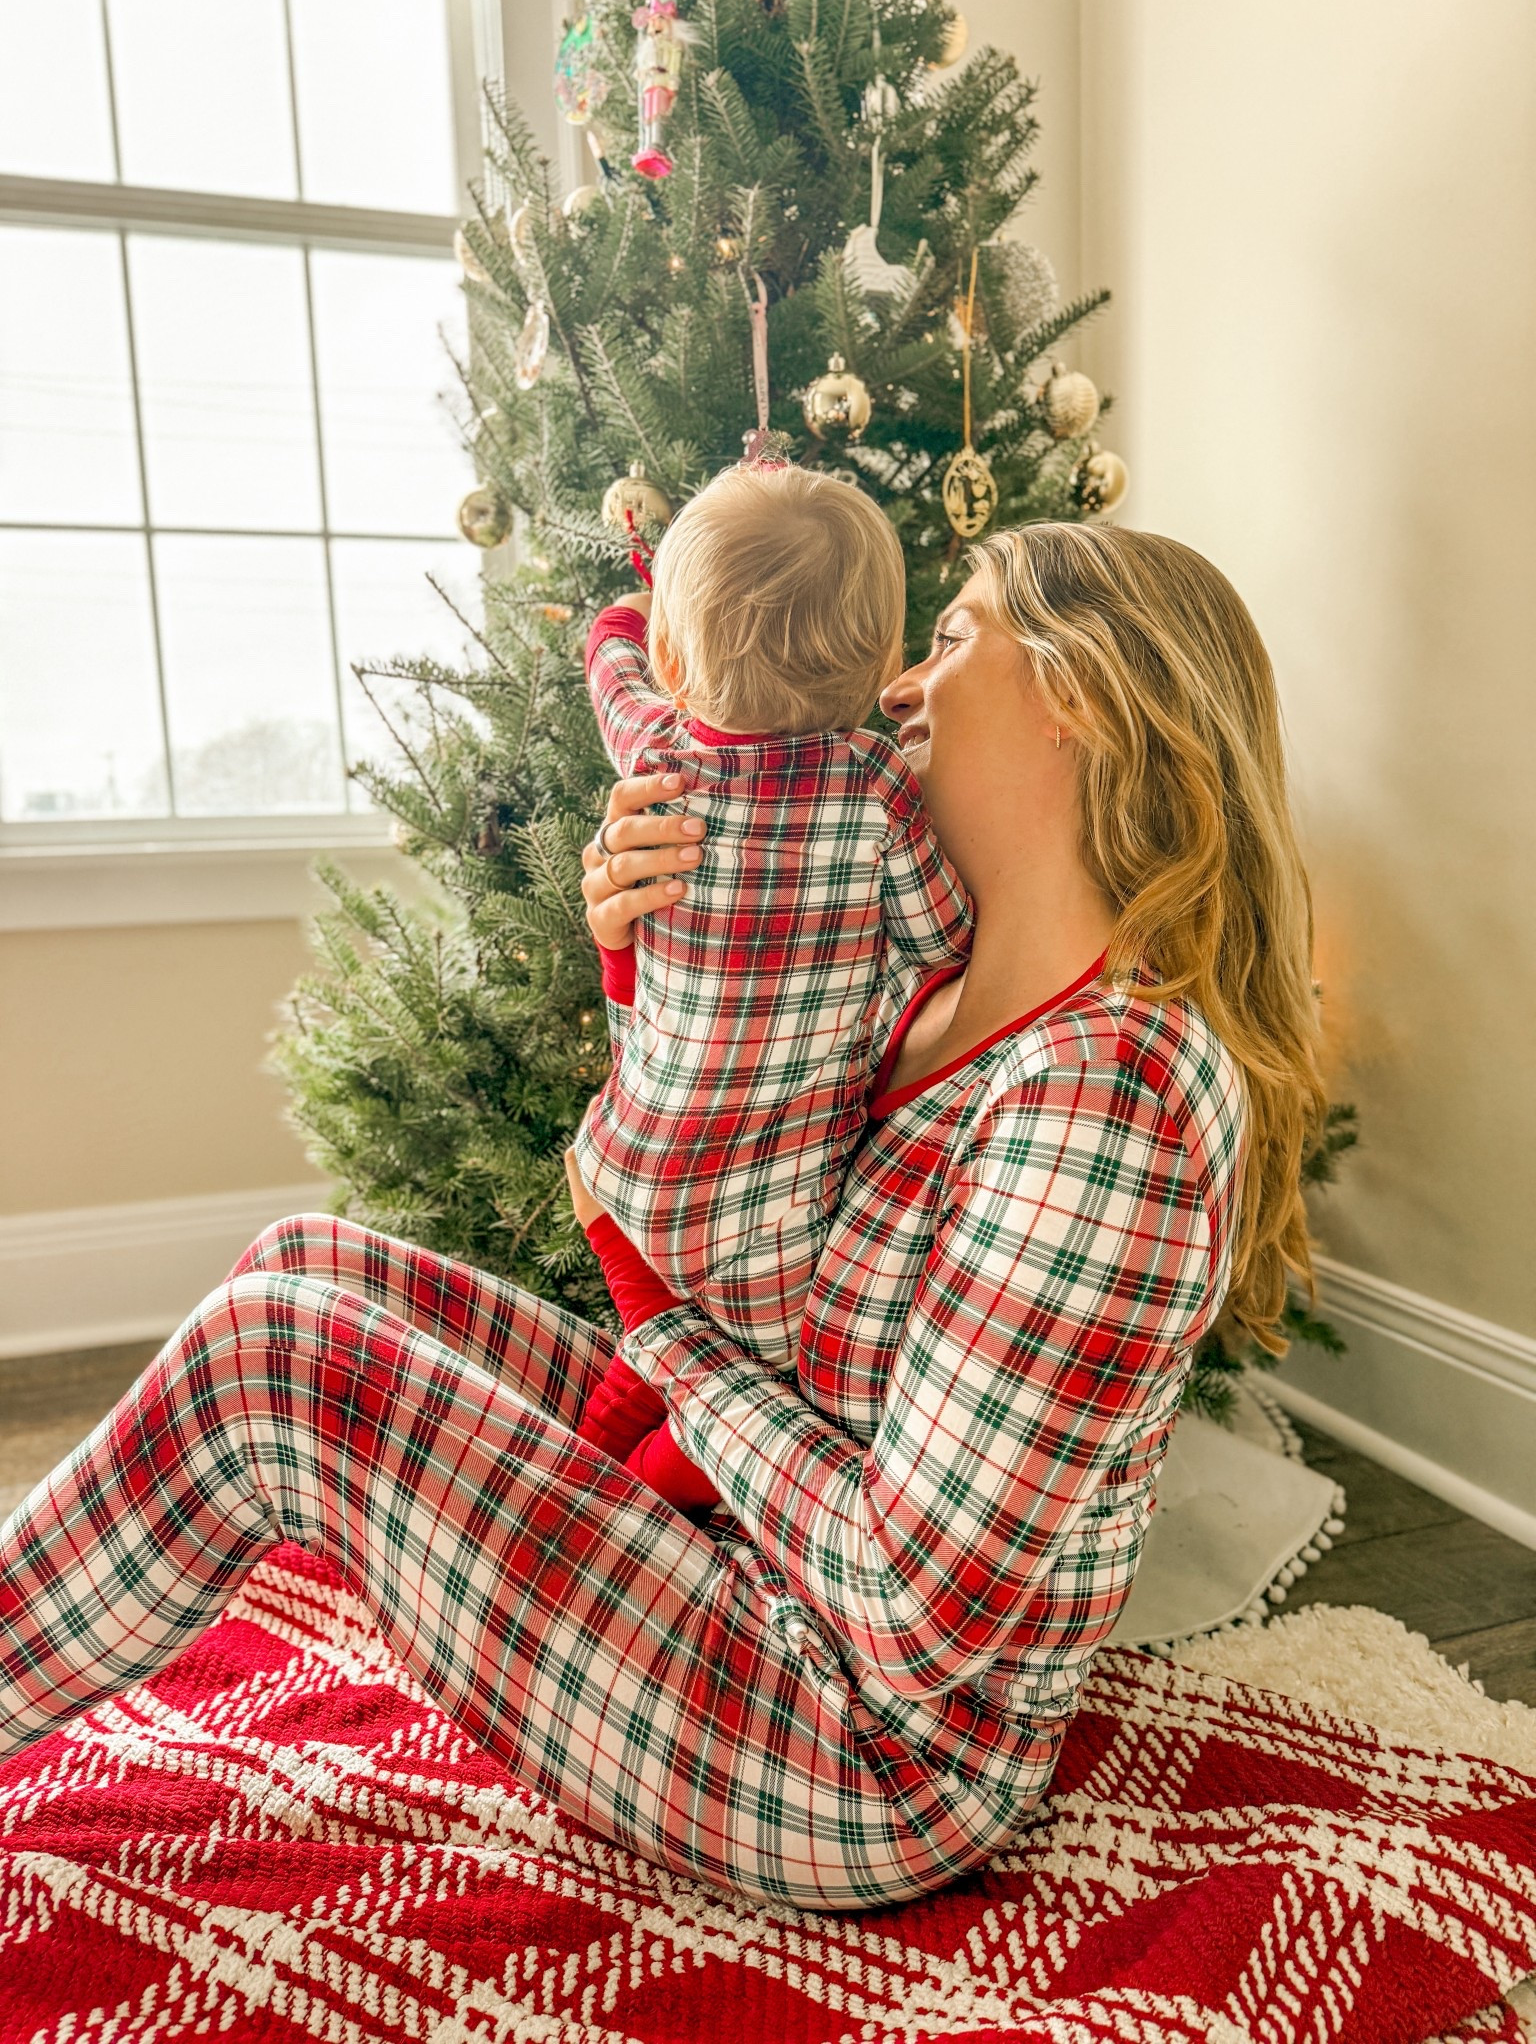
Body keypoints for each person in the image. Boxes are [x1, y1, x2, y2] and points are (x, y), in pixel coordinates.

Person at [0, 524, 1323, 1915]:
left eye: (952, 636)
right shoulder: (933, 983)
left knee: (278, 1357)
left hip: (863, 1750)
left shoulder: (1116, 1097)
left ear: (1082, 692)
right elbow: (727, 1074)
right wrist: (640, 932)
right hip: (740, 1539)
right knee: (304, 1267)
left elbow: (912, 1614)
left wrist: (657, 1324)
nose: (899, 689)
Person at [574, 462, 971, 1411]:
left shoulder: (662, 758)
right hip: (770, 1226)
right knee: (726, 1397)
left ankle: (580, 1487)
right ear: (887, 671)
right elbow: (945, 938)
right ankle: (636, 1496)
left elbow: (612, 679)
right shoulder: (880, 786)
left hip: (630, 1162)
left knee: (642, 1365)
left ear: (678, 664)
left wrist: (624, 620)